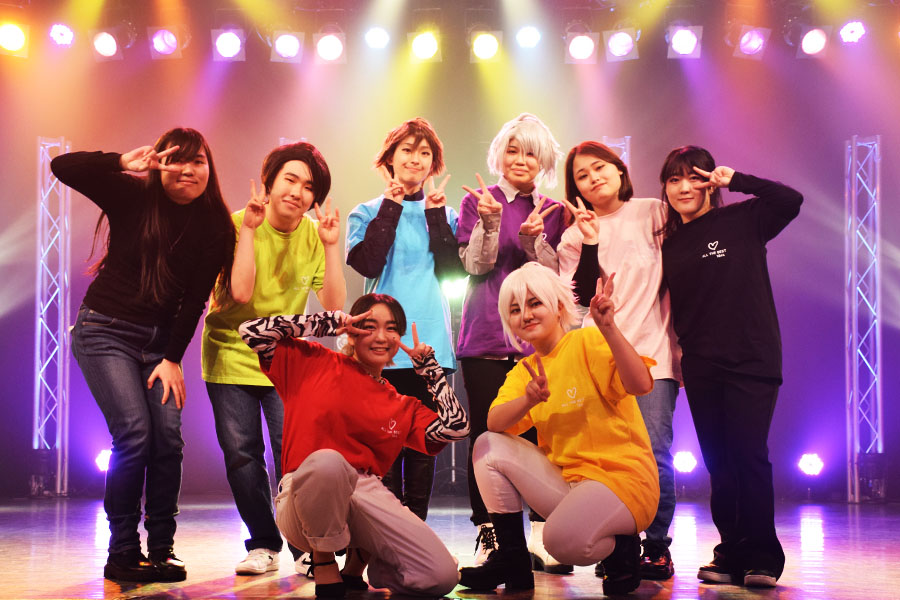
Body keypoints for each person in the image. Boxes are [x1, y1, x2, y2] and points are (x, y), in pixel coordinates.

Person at [52, 128, 235, 582]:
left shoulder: (215, 225)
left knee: (167, 438)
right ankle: (122, 551)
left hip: (159, 347)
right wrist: (119, 161)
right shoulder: (133, 197)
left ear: (209, 169)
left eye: (197, 161)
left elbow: (196, 300)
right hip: (104, 331)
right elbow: (61, 167)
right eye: (176, 160)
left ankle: (162, 549)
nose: (187, 170)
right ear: (159, 165)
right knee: (134, 432)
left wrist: (172, 358)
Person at [238, 294, 470, 598]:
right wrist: (327, 322)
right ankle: (324, 562)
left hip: (364, 494)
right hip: (304, 495)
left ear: (399, 337)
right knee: (329, 462)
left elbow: (457, 428)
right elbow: (251, 331)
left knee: (440, 577)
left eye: (391, 328)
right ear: (351, 332)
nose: (381, 337)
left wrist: (431, 372)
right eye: (369, 326)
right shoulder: (313, 361)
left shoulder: (401, 404)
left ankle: (371, 567)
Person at [457, 263, 658, 596]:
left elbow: (639, 385)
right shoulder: (526, 370)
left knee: (559, 544)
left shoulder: (587, 340)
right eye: (515, 310)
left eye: (535, 303)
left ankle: (622, 550)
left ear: (560, 307)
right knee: (487, 444)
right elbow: (494, 423)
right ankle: (512, 560)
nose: (525, 315)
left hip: (622, 482)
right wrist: (527, 399)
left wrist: (609, 329)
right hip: (569, 483)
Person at [658, 146, 802, 588]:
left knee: (748, 455)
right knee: (719, 463)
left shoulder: (744, 219)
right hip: (701, 365)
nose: (684, 187)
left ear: (709, 183)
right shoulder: (669, 243)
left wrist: (736, 179)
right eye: (674, 180)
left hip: (751, 358)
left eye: (694, 178)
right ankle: (731, 551)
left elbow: (790, 201)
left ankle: (763, 556)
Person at [202, 142, 346, 575]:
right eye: (290, 180)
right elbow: (241, 293)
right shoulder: (235, 225)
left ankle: (304, 546)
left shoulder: (313, 235)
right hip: (230, 354)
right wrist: (248, 231)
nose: (298, 192)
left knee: (294, 456)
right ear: (269, 182)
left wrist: (331, 246)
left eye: (309, 187)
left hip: (284, 361)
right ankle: (263, 543)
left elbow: (334, 307)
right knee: (242, 454)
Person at [557, 141, 681, 580]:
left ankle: (657, 546)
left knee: (655, 453)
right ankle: (620, 548)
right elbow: (575, 301)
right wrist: (590, 241)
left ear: (619, 169)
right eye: (582, 175)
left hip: (652, 354)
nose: (593, 178)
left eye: (599, 167)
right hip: (597, 359)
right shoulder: (573, 236)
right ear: (576, 189)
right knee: (605, 458)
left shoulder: (654, 212)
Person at [455, 113, 568, 570]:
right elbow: (475, 267)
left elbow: (556, 278)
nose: (521, 160)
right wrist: (488, 224)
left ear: (544, 161)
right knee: (487, 435)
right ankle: (491, 533)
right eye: (513, 150)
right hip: (484, 334)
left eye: (531, 153)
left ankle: (543, 534)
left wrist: (532, 242)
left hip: (538, 340)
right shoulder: (477, 202)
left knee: (542, 433)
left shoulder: (553, 210)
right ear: (499, 154)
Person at [345, 117, 463, 521]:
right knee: (383, 441)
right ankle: (387, 528)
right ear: (390, 159)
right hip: (379, 343)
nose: (415, 159)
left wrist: (435, 216)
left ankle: (415, 528)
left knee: (424, 442)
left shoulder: (444, 214)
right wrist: (392, 206)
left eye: (424, 153)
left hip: (430, 342)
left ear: (434, 164)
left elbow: (453, 274)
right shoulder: (366, 212)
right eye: (407, 150)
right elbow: (368, 263)